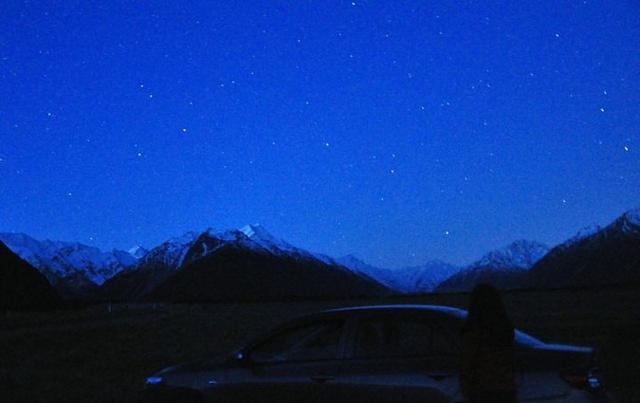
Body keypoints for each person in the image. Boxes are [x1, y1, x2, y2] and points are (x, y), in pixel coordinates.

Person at [460, 283, 517, 403]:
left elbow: (468, 361)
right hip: (506, 389)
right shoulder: (505, 328)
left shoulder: (474, 331)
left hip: (482, 390)